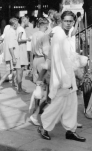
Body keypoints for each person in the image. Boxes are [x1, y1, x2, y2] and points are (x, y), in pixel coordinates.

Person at [38, 11, 86, 142]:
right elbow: (58, 60)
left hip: (68, 76)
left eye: (71, 21)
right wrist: (65, 80)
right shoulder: (59, 35)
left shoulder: (63, 33)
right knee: (57, 105)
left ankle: (71, 130)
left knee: (71, 104)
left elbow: (67, 56)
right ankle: (44, 127)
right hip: (62, 78)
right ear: (61, 20)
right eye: (66, 21)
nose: (68, 23)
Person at [0, 18, 19, 93]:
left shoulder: (7, 32)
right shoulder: (12, 32)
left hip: (7, 55)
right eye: (17, 23)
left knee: (9, 71)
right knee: (15, 69)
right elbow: (11, 46)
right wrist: (14, 58)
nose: (17, 25)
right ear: (14, 25)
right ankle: (18, 86)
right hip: (12, 54)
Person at [31, 18, 50, 83]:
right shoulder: (44, 36)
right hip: (42, 58)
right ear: (46, 26)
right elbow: (45, 51)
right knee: (43, 80)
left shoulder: (34, 34)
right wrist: (47, 61)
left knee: (36, 81)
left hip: (35, 59)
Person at [16, 16, 30, 93]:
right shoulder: (21, 29)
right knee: (20, 70)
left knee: (20, 70)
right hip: (21, 50)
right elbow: (19, 39)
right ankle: (19, 88)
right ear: (24, 20)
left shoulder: (20, 28)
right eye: (28, 21)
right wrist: (27, 39)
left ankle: (19, 87)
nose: (29, 23)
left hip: (21, 49)